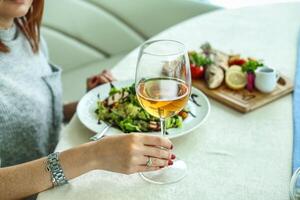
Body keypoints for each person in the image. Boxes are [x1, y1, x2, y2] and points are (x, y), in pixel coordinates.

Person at [0, 0, 175, 199]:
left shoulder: (24, 31)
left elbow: (36, 118)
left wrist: (91, 105)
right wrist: (93, 155)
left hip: (60, 182)